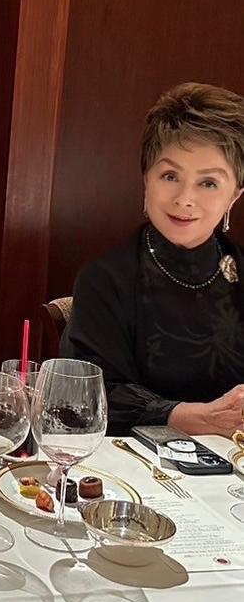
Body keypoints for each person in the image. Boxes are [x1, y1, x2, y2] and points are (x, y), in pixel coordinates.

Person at [63, 83, 244, 436]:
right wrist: (183, 416)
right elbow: (91, 394)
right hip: (136, 460)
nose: (185, 199)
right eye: (170, 176)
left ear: (234, 196)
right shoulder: (105, 279)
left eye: (208, 183)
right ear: (146, 178)